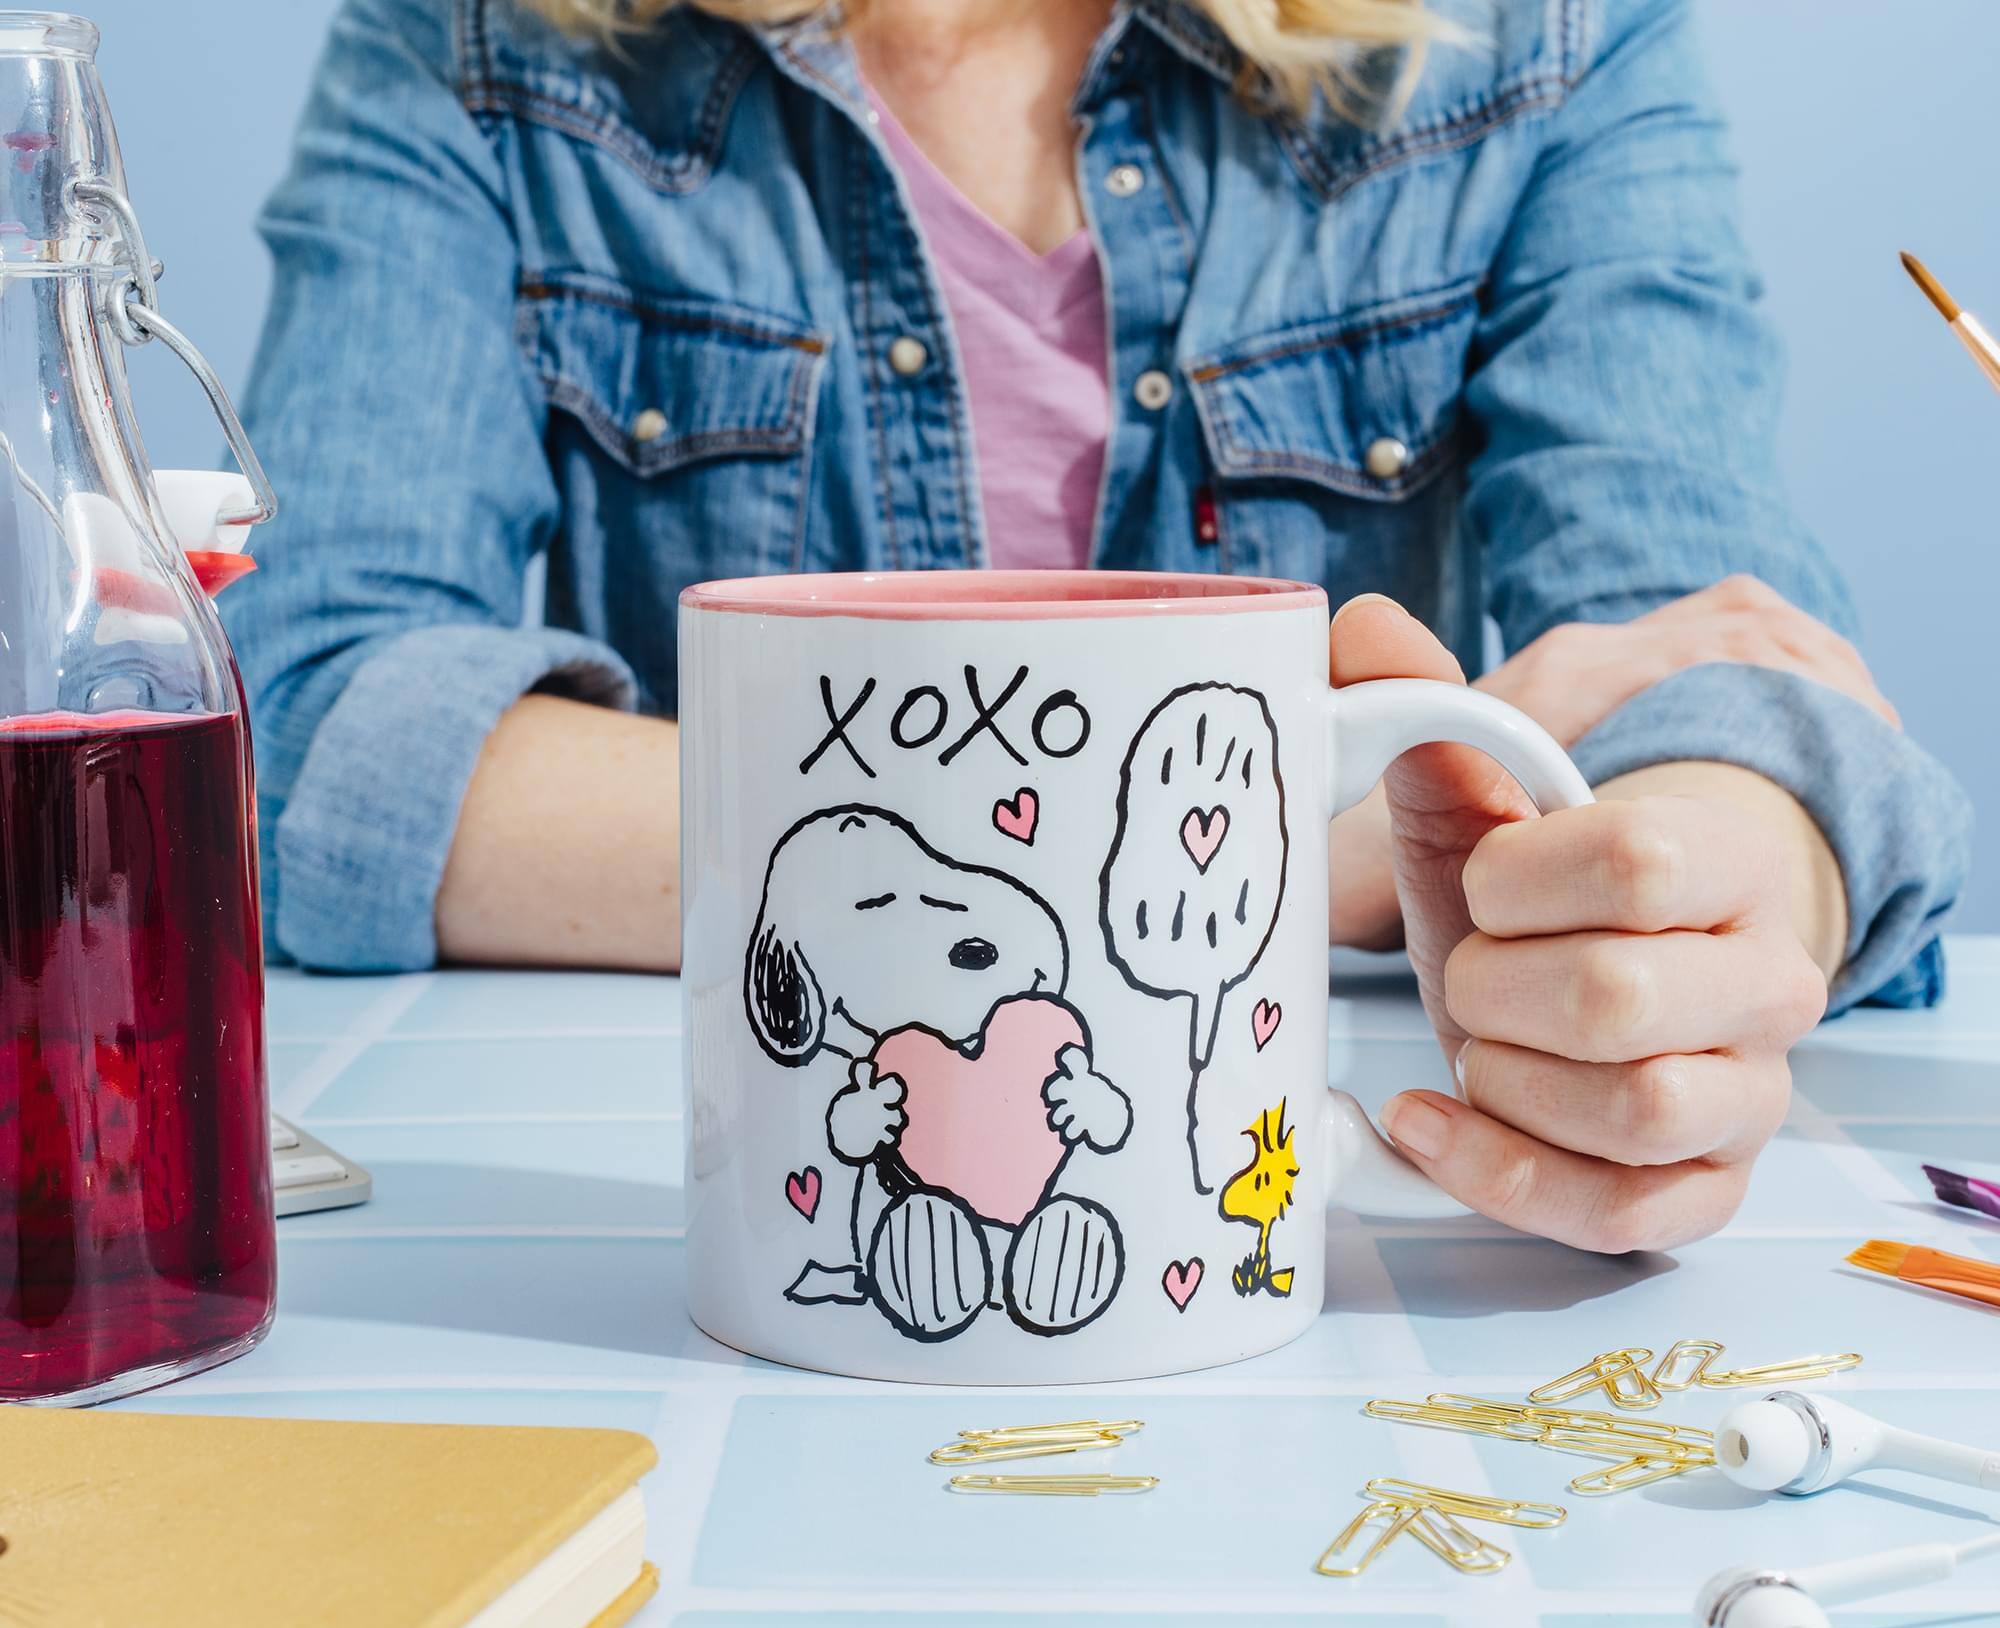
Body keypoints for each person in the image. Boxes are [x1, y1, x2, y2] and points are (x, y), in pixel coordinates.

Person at [228, 0, 1971, 1253]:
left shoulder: (1538, 42)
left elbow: (1730, 681)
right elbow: (299, 739)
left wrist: (1709, 913)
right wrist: (1336, 846)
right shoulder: (474, 44)